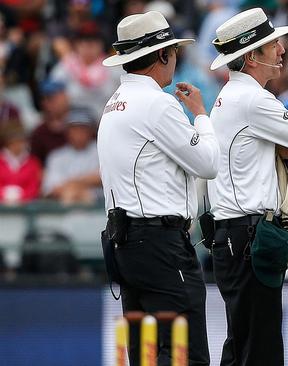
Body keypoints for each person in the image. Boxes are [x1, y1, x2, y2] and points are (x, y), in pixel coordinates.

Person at [207, 8, 288, 365]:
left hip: (232, 236)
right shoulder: (254, 100)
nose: (281, 49)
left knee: (241, 345)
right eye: (271, 44)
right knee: (259, 350)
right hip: (247, 237)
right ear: (251, 57)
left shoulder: (230, 96)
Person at [98, 11, 219, 366]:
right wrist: (200, 114)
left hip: (126, 242)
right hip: (160, 244)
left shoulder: (113, 104)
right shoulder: (157, 103)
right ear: (163, 55)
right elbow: (208, 163)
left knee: (146, 355)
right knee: (185, 354)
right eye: (173, 51)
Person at [41, 107, 101, 205]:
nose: (78, 133)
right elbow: (52, 189)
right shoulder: (56, 156)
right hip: (64, 209)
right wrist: (82, 185)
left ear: (91, 130)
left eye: (83, 128)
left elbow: (103, 178)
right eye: (74, 129)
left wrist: (74, 184)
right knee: (70, 195)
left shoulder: (101, 151)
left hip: (97, 209)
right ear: (67, 131)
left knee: (85, 195)